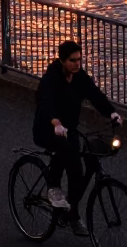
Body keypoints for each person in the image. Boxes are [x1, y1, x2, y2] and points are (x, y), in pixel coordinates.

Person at [33, 40, 122, 236]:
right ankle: (54, 189)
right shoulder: (51, 78)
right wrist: (56, 123)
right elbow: (46, 102)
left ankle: (71, 213)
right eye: (72, 60)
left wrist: (111, 113)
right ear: (62, 60)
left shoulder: (79, 77)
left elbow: (95, 95)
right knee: (72, 164)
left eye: (79, 60)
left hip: (69, 130)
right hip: (48, 129)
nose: (77, 64)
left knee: (79, 169)